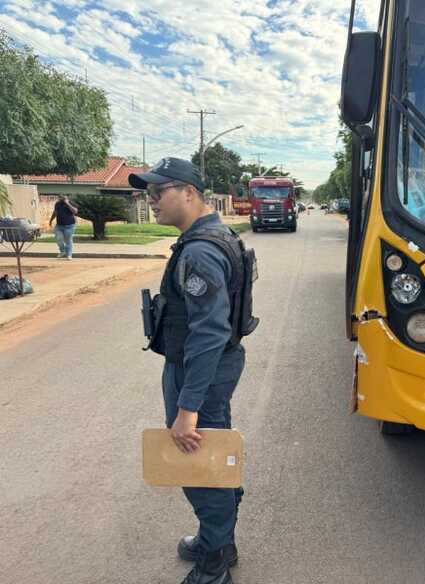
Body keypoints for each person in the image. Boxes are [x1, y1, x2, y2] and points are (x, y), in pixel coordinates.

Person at [130, 158, 246, 584]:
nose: (152, 201)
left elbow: (209, 331)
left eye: (159, 192)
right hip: (212, 365)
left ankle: (214, 563)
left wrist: (188, 407)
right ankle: (220, 540)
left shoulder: (199, 250)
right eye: (149, 193)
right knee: (212, 455)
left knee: (198, 463)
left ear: (190, 193)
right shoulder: (214, 236)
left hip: (201, 368)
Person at [48, 195, 78, 259]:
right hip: (59, 226)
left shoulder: (71, 203)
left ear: (66, 197)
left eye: (62, 198)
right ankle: (63, 251)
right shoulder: (57, 204)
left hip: (70, 226)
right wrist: (51, 220)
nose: (61, 199)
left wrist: (67, 203)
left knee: (68, 241)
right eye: (60, 198)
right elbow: (55, 212)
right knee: (58, 239)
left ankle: (69, 255)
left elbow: (75, 211)